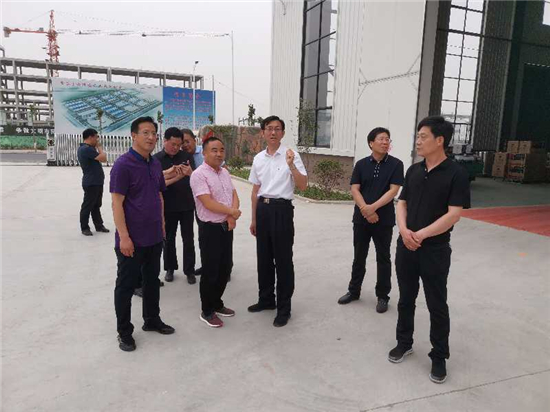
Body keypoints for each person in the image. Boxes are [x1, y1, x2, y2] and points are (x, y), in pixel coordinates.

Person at [388, 116, 470, 384]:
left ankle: (439, 355)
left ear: (440, 140)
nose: (418, 141)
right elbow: (402, 203)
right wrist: (404, 231)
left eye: (423, 136)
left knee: (436, 303)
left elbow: (454, 214)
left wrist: (421, 235)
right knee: (405, 298)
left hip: (435, 249)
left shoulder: (456, 173)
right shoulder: (414, 170)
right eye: (418, 136)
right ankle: (404, 342)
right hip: (406, 245)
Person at [110, 116, 175, 352]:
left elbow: (159, 195)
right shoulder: (123, 165)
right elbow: (117, 203)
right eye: (145, 132)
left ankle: (152, 319)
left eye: (154, 133)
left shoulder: (155, 164)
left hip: (154, 236)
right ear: (134, 136)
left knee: (151, 282)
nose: (151, 137)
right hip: (132, 240)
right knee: (126, 286)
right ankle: (124, 332)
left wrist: (163, 224)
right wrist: (124, 237)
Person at [247, 115, 307, 327]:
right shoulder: (258, 158)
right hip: (263, 210)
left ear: (282, 133)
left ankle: (284, 308)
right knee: (263, 258)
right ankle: (266, 299)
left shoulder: (291, 155)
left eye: (277, 129)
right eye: (269, 128)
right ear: (263, 132)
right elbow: (255, 190)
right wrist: (254, 218)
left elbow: (303, 185)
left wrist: (291, 166)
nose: (273, 132)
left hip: (282, 210)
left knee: (283, 261)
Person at [338, 127, 404, 313]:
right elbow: (355, 189)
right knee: (359, 256)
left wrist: (372, 208)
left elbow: (393, 191)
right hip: (361, 219)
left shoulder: (396, 164)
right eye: (381, 139)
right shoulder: (361, 164)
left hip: (383, 220)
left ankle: (382, 296)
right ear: (371, 143)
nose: (385, 142)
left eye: (387, 139)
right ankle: (354, 291)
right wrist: (365, 210)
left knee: (383, 258)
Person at [190, 137, 241, 328]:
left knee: (225, 268)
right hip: (210, 229)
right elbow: (207, 202)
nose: (219, 154)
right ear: (203, 153)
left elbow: (233, 194)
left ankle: (217, 303)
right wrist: (231, 212)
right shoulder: (199, 175)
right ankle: (207, 310)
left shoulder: (224, 172)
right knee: (210, 271)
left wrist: (232, 215)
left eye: (221, 150)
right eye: (214, 150)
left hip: (226, 226)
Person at [153, 127, 197, 285]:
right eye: (173, 144)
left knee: (188, 239)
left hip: (186, 205)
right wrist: (172, 173)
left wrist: (190, 172)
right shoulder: (156, 159)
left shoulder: (186, 157)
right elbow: (155, 182)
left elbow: (195, 177)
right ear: (165, 141)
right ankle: (170, 268)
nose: (176, 147)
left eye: (178, 145)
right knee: (168, 239)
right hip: (167, 206)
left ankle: (189, 270)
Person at [77, 128, 109, 236]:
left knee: (96, 205)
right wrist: (99, 147)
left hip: (96, 181)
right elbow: (103, 158)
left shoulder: (87, 148)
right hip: (91, 182)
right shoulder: (86, 149)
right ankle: (85, 227)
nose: (97, 140)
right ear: (90, 137)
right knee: (88, 206)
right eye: (96, 137)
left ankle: (99, 225)